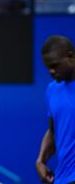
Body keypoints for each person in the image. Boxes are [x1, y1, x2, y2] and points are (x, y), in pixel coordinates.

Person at [35, 35, 75, 184]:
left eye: (55, 65)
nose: (51, 71)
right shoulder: (52, 90)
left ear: (70, 57)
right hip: (61, 178)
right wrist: (40, 161)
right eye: (48, 67)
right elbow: (53, 131)